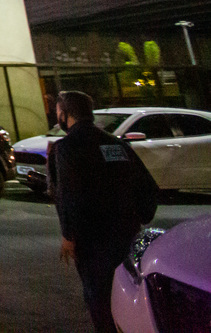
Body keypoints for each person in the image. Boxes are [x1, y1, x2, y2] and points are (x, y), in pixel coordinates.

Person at [49, 91, 158, 333]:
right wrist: (139, 216)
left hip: (93, 240)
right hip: (127, 235)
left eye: (58, 114)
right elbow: (148, 187)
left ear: (65, 115)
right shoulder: (116, 144)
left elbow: (69, 195)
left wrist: (69, 236)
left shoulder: (67, 148)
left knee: (100, 300)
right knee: (127, 295)